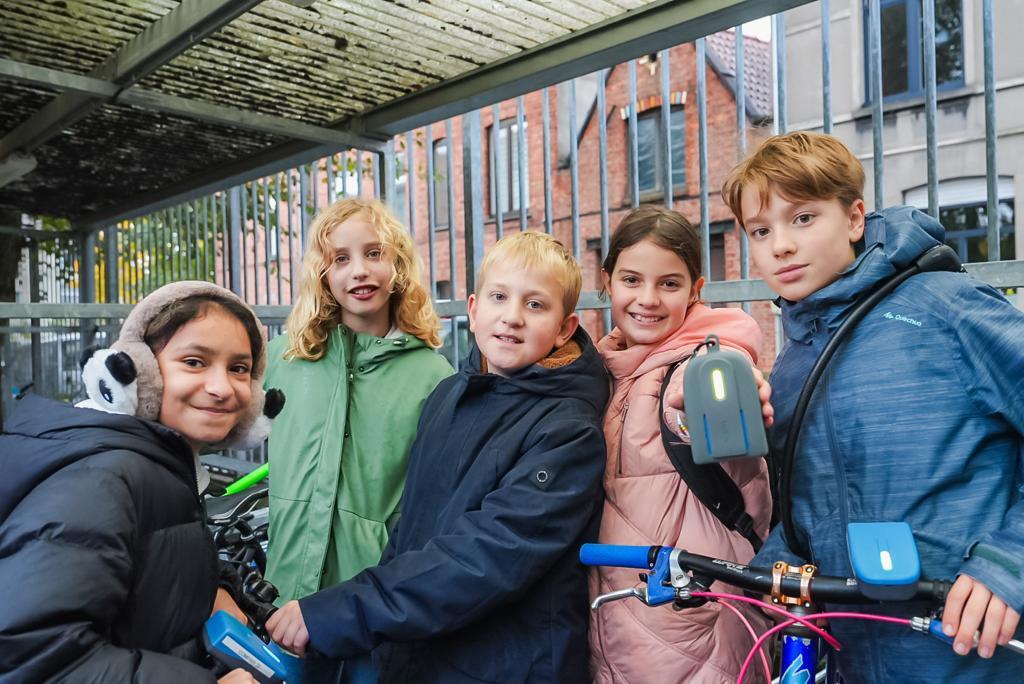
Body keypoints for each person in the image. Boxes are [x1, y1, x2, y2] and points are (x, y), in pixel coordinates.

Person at [722, 131, 1024, 682]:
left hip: (967, 652)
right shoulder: (795, 358)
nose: (780, 246)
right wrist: (771, 568)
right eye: (760, 230)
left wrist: (1009, 565)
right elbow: (815, 501)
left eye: (803, 218)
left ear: (855, 218)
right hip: (852, 651)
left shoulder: (945, 308)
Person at [266, 230, 610, 683]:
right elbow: (411, 531)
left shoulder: (567, 432)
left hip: (505, 666)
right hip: (424, 654)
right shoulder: (450, 395)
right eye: (499, 297)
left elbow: (484, 558)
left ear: (565, 327)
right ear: (472, 309)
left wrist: (345, 611)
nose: (512, 317)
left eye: (535, 305)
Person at [0, 281, 277, 683]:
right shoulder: (102, 482)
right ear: (135, 374)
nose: (221, 389)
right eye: (195, 362)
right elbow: (32, 656)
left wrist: (209, 590)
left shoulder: (159, 466)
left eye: (239, 369)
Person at [264, 198, 452, 683]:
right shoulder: (283, 360)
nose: (359, 271)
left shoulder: (433, 376)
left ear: (399, 265)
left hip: (372, 609)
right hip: (280, 593)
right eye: (340, 258)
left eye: (374, 253)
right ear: (322, 274)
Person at [589, 205, 774, 683]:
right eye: (632, 280)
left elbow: (697, 401)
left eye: (669, 284)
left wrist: (733, 395)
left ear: (696, 291)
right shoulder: (604, 371)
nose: (647, 299)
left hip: (692, 621)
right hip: (618, 613)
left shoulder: (702, 366)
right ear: (607, 281)